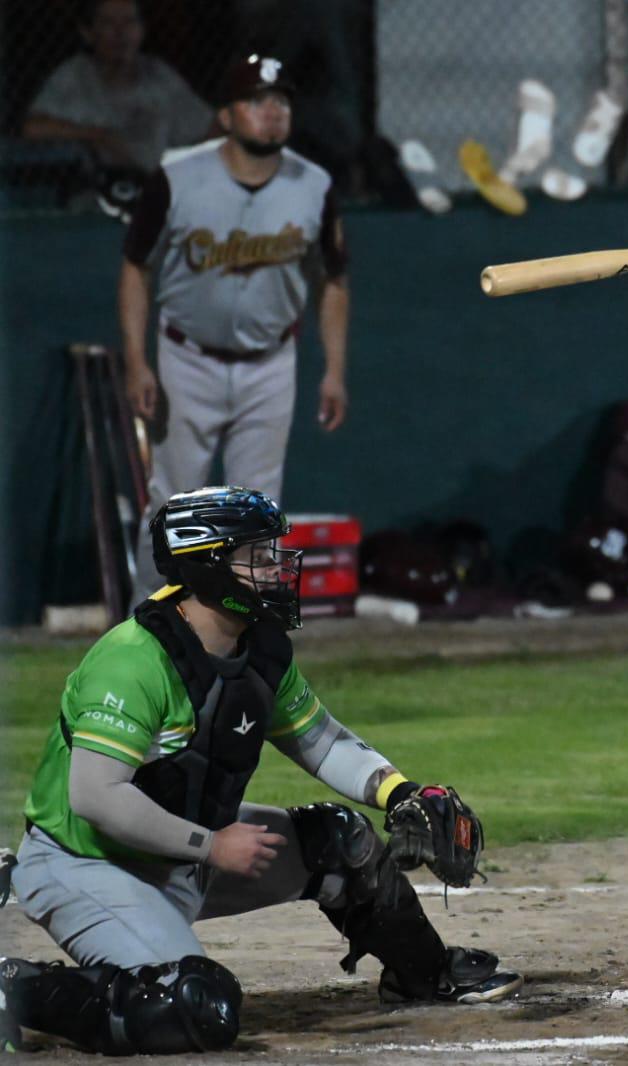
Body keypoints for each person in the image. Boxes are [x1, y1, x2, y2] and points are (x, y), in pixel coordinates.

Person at [0, 487, 522, 1055]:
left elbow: (320, 741)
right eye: (258, 556)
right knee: (192, 1006)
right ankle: (18, 989)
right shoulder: (133, 660)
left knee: (340, 840)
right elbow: (96, 797)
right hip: (88, 864)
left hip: (185, 854)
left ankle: (425, 972)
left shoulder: (258, 649)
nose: (277, 568)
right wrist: (210, 845)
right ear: (207, 565)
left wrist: (399, 793)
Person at [121, 54, 349, 599]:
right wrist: (136, 361)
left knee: (256, 515)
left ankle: (245, 636)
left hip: (270, 363)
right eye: (255, 100)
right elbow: (135, 266)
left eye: (281, 100)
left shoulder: (313, 185)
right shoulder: (177, 177)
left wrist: (335, 370)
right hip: (187, 358)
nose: (272, 111)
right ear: (225, 115)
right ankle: (144, 630)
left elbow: (334, 280)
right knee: (174, 507)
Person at [21, 0, 213, 176]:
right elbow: (34, 128)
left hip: (160, 186)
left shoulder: (159, 75)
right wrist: (100, 136)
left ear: (142, 30)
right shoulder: (76, 74)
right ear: (88, 33)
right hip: (97, 189)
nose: (120, 32)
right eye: (108, 23)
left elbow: (207, 128)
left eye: (129, 22)